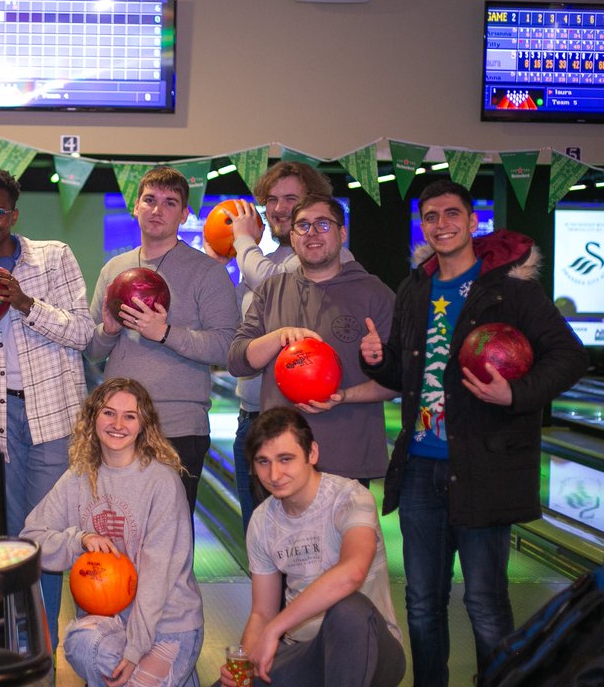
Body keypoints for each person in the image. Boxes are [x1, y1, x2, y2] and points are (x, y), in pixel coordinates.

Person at [360, 179, 588, 685]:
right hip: (420, 466)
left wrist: (517, 393)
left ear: (471, 221)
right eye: (431, 216)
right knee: (421, 604)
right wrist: (375, 361)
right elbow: (404, 373)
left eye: (451, 214)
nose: (441, 224)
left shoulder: (511, 290)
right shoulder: (415, 287)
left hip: (484, 466)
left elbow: (569, 355)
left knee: (486, 604)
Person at [0, 166, 94, 654]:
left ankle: (45, 647)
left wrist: (24, 302)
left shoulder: (53, 259)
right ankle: (19, 644)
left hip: (55, 419)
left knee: (49, 537)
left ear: (14, 215)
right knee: (14, 538)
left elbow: (85, 333)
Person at [22, 378, 203, 687]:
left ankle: (174, 674)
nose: (118, 424)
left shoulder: (162, 482)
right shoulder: (78, 477)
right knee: (80, 643)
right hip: (109, 622)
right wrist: (79, 540)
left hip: (168, 623)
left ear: (143, 424)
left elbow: (158, 576)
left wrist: (134, 652)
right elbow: (30, 539)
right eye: (108, 413)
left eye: (130, 416)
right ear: (93, 418)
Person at [204, 160, 347, 530]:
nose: (279, 209)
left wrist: (242, 241)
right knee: (263, 543)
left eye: (290, 198)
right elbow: (238, 326)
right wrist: (219, 265)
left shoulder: (323, 258)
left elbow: (274, 285)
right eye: (272, 199)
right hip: (250, 416)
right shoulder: (265, 260)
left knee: (303, 547)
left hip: (296, 421)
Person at [216, 407, 404, 687]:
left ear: (312, 454)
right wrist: (246, 661)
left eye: (285, 459)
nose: (275, 474)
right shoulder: (262, 521)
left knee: (348, 610)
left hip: (372, 649)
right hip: (304, 655)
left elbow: (353, 572)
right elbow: (262, 613)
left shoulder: (351, 498)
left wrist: (275, 629)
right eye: (263, 462)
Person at [88, 166, 239, 505]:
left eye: (170, 203)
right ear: (135, 207)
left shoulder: (208, 273)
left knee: (173, 537)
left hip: (178, 427)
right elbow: (93, 350)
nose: (157, 210)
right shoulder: (114, 270)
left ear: (185, 214)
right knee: (116, 527)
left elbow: (226, 346)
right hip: (118, 425)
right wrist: (108, 330)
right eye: (150, 200)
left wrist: (165, 332)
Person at [227, 195, 397, 483]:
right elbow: (237, 361)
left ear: (342, 233)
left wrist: (343, 396)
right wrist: (278, 338)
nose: (312, 233)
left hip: (348, 458)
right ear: (292, 238)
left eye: (322, 224)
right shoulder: (271, 290)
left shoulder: (374, 293)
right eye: (303, 226)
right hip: (279, 459)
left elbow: (396, 381)